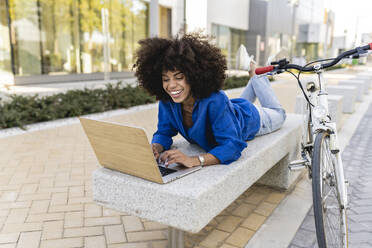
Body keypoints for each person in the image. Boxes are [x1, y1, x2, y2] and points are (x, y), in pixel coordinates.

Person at [134, 33, 286, 168]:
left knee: (280, 114)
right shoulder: (168, 101)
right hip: (231, 109)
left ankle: (254, 70)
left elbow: (232, 146)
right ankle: (253, 72)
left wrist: (194, 160)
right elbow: (163, 132)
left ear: (193, 76)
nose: (171, 85)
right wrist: (156, 147)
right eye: (165, 79)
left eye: (179, 77)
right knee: (228, 107)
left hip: (253, 119)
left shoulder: (215, 100)